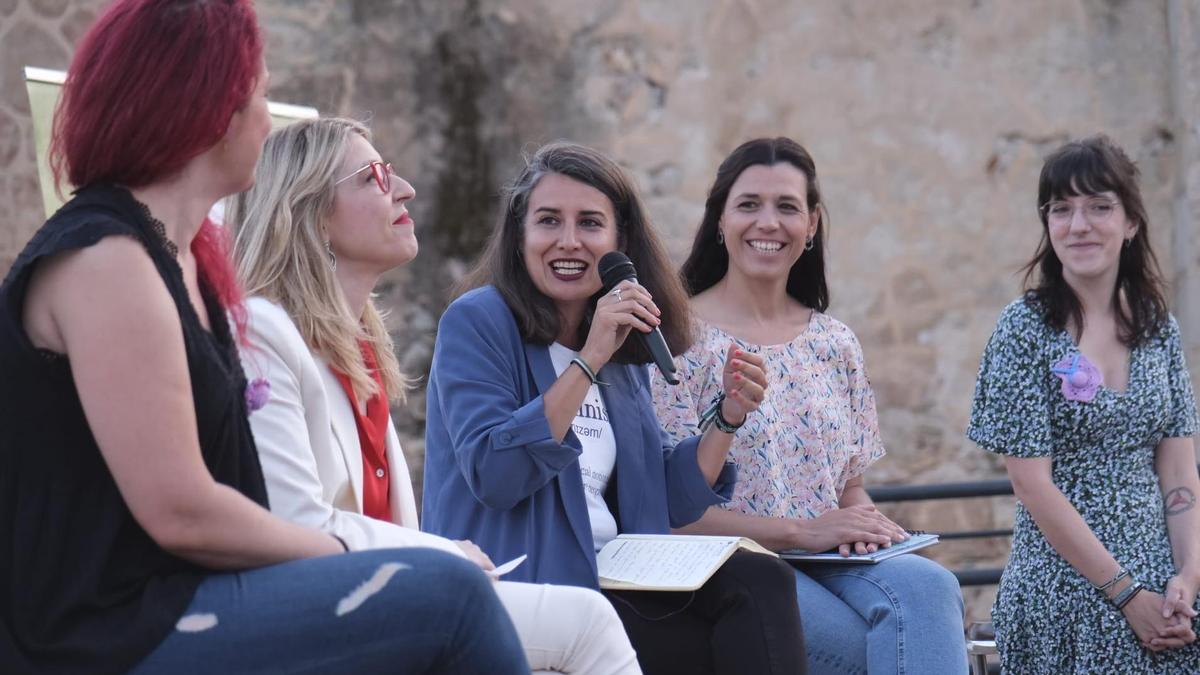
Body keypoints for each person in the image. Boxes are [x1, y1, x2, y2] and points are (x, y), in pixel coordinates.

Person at [0, 2, 528, 673]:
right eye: (261, 94)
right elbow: (181, 512)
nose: (266, 117)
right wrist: (349, 558)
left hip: (180, 602)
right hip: (105, 631)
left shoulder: (186, 262)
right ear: (208, 110)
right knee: (449, 598)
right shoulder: (107, 258)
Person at [227, 116, 641, 675]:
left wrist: (726, 422)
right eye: (374, 176)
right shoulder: (263, 332)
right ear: (310, 211)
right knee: (586, 623)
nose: (405, 189)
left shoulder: (362, 349)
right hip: (315, 609)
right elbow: (297, 522)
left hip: (382, 595)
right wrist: (445, 555)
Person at [421, 141, 807, 675]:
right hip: (533, 590)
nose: (569, 241)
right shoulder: (480, 322)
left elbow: (663, 494)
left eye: (590, 223)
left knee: (760, 581)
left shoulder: (622, 353)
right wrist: (590, 356)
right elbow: (495, 471)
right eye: (549, 221)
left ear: (618, 241)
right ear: (520, 235)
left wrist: (728, 417)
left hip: (622, 580)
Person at [652, 137, 966, 674]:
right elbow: (672, 513)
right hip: (737, 565)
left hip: (829, 561)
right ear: (720, 219)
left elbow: (847, 488)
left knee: (933, 586)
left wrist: (871, 528)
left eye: (787, 207)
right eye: (749, 205)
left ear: (813, 223)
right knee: (869, 648)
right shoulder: (677, 340)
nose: (767, 222)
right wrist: (805, 532)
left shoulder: (835, 341)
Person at [967, 135, 1200, 672]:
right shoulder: (1024, 329)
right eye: (1062, 209)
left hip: (1163, 576)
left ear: (1131, 222)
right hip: (1066, 577)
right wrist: (1127, 595)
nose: (1079, 225)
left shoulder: (1157, 327)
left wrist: (1187, 576)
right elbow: (1031, 483)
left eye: (1099, 207)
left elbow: (1178, 466)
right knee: (1112, 641)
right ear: (1047, 224)